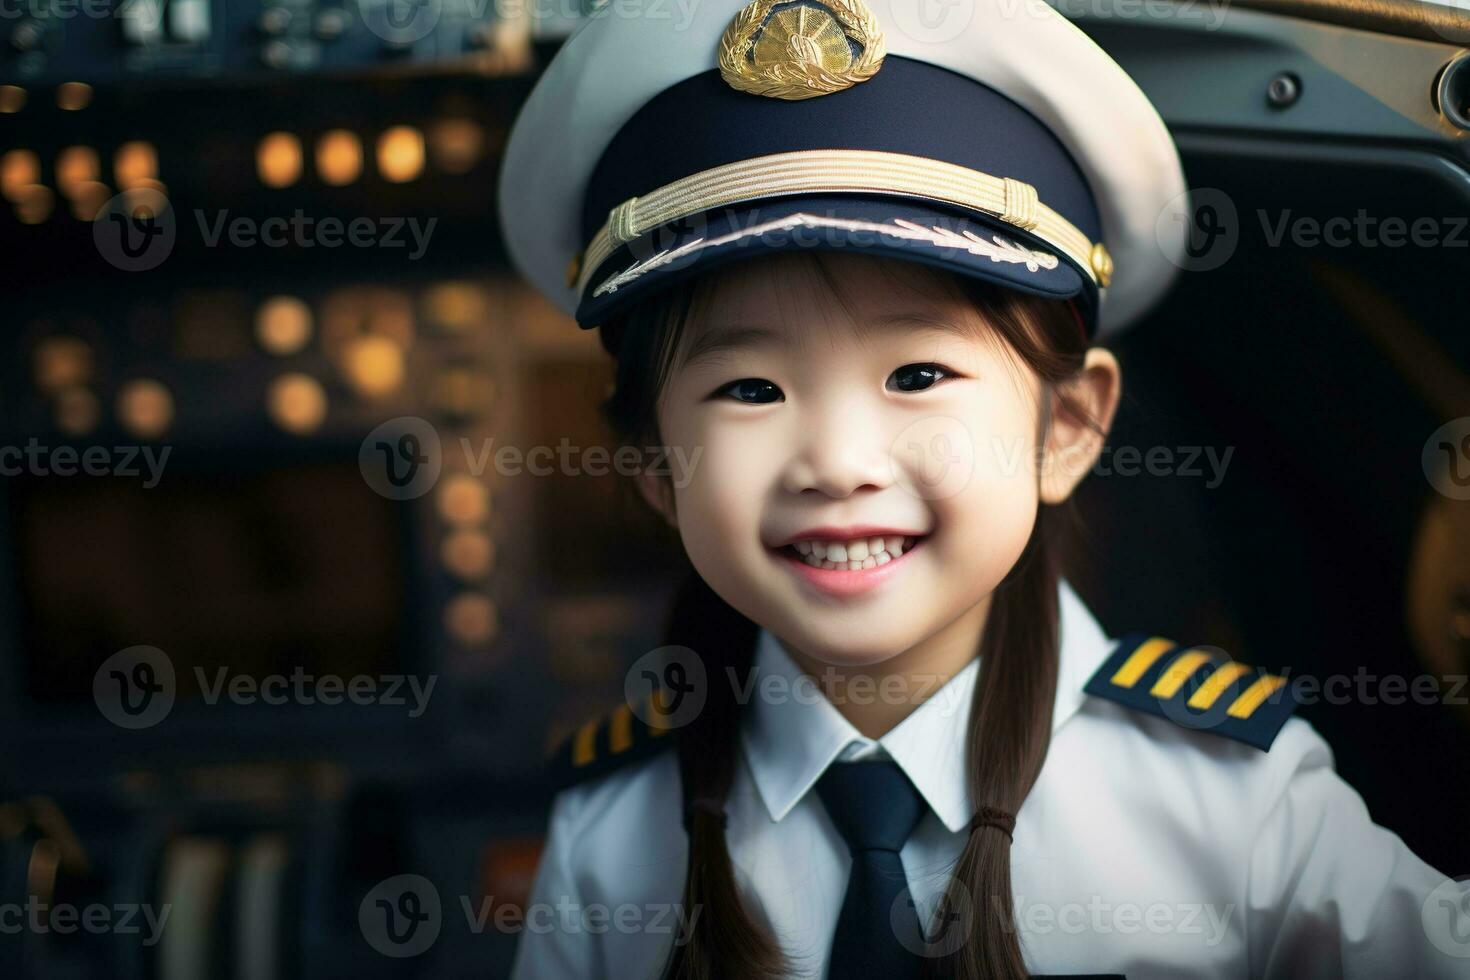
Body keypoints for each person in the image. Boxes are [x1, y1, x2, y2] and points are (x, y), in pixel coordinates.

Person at [496, 1, 1470, 977]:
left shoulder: (1235, 798)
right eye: (751, 388)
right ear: (658, 469)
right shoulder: (607, 835)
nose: (839, 462)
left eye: (917, 375)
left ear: (1067, 425)